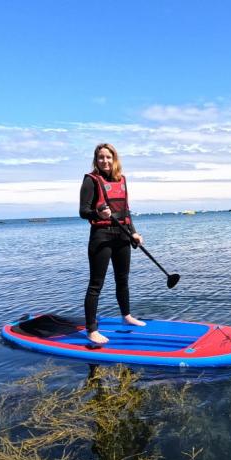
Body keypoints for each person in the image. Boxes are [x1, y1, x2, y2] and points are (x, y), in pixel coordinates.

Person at [79, 143, 145, 344]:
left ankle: (126, 316)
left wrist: (134, 233)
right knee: (96, 284)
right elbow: (83, 211)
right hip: (102, 236)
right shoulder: (91, 180)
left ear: (114, 159)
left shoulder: (121, 179)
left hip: (122, 235)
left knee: (122, 279)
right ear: (96, 160)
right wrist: (98, 212)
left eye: (108, 157)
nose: (105, 161)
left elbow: (125, 210)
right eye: (101, 157)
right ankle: (92, 330)